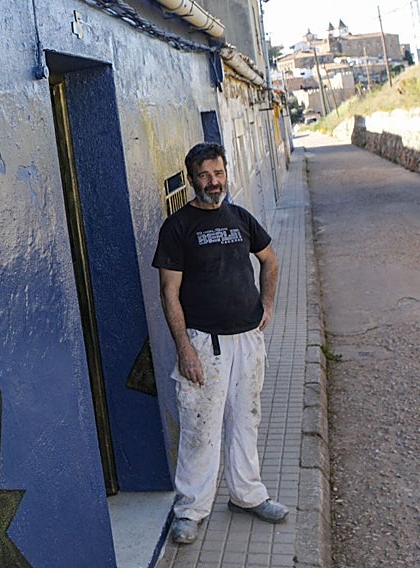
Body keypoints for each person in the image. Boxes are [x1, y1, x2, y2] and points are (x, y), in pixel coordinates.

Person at [151, 142, 288, 546]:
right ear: (192, 178)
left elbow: (271, 260)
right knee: (200, 427)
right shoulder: (177, 227)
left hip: (247, 340)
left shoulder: (241, 218)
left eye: (219, 173)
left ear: (226, 173)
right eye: (205, 175)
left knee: (247, 418)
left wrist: (267, 303)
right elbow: (167, 293)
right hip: (203, 344)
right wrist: (184, 349)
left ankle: (248, 495)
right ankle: (191, 510)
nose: (214, 182)